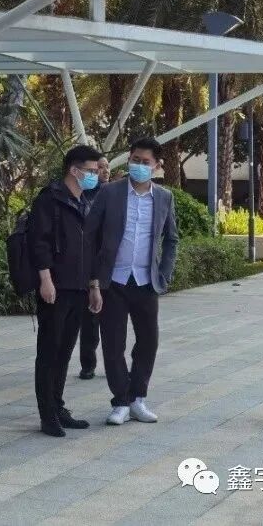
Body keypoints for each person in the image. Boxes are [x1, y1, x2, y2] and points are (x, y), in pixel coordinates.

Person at [88, 137, 178, 426]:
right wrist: (94, 282)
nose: (139, 165)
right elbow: (90, 236)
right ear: (129, 159)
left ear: (157, 166)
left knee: (148, 342)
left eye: (145, 162)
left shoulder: (164, 197)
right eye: (135, 160)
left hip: (145, 282)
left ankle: (138, 397)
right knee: (113, 344)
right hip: (112, 282)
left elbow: (172, 239)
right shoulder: (109, 193)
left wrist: (164, 274)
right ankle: (120, 401)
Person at [27, 144, 104, 437]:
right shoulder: (49, 199)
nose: (96, 175)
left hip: (79, 287)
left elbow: (91, 247)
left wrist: (94, 285)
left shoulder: (85, 200)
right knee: (49, 350)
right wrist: (45, 279)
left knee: (65, 350)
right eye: (91, 170)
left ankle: (58, 406)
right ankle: (47, 414)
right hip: (56, 286)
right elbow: (39, 242)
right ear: (74, 170)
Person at [78, 156, 111, 381]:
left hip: (110, 267)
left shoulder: (114, 194)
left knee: (111, 322)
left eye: (107, 166)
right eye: (100, 167)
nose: (105, 170)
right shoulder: (83, 195)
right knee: (89, 320)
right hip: (89, 265)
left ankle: (112, 363)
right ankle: (88, 364)